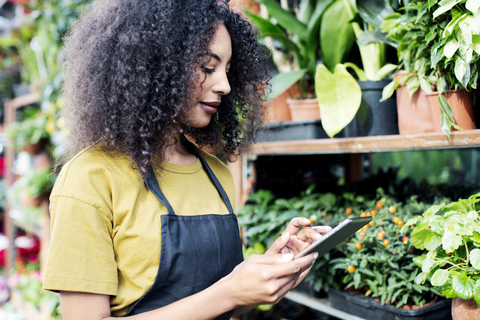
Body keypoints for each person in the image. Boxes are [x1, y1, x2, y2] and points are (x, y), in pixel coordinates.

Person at [43, 0, 332, 319]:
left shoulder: (216, 173)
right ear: (155, 65)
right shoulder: (90, 178)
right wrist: (229, 291)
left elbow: (223, 305)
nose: (223, 85)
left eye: (227, 71)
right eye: (207, 67)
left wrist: (267, 274)